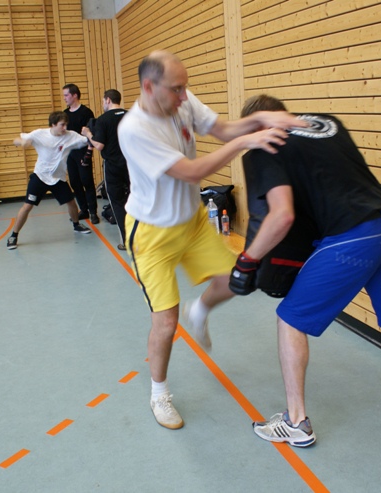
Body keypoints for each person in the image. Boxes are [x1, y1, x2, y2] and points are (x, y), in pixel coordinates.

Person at [229, 95, 381, 448]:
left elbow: (281, 216)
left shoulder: (267, 147)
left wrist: (247, 260)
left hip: (352, 239)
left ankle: (296, 422)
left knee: (290, 319)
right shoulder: (325, 122)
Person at [118, 51, 304, 430]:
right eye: (177, 89)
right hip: (152, 234)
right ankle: (159, 393)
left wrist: (259, 119)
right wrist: (248, 141)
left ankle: (200, 310)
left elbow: (221, 129)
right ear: (149, 87)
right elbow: (192, 171)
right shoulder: (134, 129)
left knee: (236, 280)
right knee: (166, 323)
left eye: (185, 87)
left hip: (193, 222)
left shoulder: (180, 99)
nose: (185, 96)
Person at [7, 111, 92, 250]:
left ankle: (76, 225)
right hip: (40, 176)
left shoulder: (71, 136)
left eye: (66, 125)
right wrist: (22, 142)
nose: (65, 128)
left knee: (71, 202)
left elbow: (87, 140)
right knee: (27, 206)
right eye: (62, 125)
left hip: (57, 178)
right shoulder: (39, 134)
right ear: (53, 124)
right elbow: (16, 140)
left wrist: (88, 133)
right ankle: (14, 235)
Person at [82, 89, 129, 250]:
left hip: (113, 166)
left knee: (116, 202)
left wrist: (88, 134)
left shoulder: (103, 120)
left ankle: (127, 241)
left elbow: (99, 145)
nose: (103, 104)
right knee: (135, 200)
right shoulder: (132, 116)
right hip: (133, 165)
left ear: (108, 100)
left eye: (103, 101)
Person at [62, 83, 99, 224]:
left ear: (74, 95)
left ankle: (93, 212)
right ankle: (83, 210)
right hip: (70, 154)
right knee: (75, 182)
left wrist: (88, 153)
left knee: (87, 181)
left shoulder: (86, 113)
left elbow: (91, 135)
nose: (64, 98)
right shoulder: (64, 114)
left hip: (83, 152)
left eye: (66, 95)